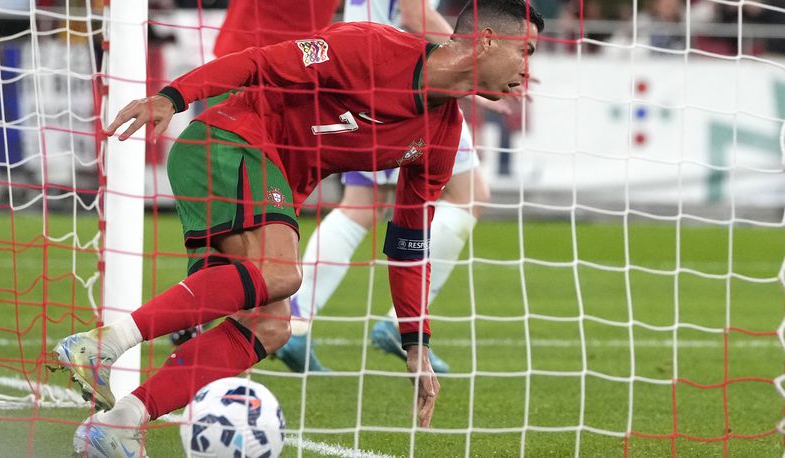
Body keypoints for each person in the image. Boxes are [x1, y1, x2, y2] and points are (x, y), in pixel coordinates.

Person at [50, 0, 543, 454]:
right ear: (485, 41)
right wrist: (173, 98)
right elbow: (259, 62)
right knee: (282, 274)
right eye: (526, 51)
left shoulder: (442, 136)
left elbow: (409, 243)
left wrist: (416, 341)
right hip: (226, 142)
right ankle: (102, 345)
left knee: (270, 325)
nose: (528, 70)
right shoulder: (373, 47)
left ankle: (118, 422)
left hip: (260, 178)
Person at [277, 0, 502, 374]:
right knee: (467, 195)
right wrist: (482, 68)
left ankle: (296, 322)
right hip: (404, 85)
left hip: (370, 73)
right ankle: (401, 319)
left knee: (362, 205)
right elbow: (415, 16)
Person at [167, 0, 341, 346]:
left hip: (295, 80)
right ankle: (199, 315)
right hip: (252, 69)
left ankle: (197, 311)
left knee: (248, 212)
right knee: (242, 212)